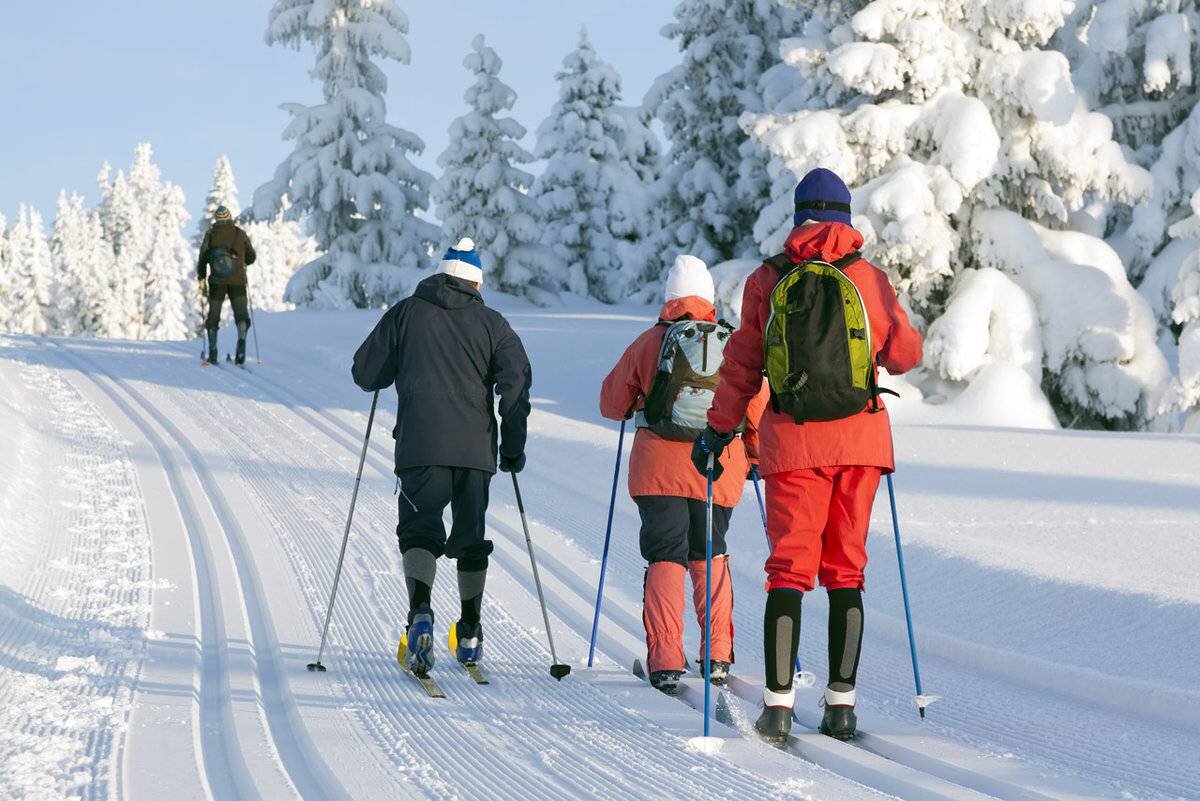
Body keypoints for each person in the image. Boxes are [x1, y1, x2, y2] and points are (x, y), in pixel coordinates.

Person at [692, 168, 923, 741]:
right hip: (861, 444)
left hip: (791, 444)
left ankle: (778, 705)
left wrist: (719, 430)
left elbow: (742, 366)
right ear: (846, 216)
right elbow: (906, 356)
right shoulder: (869, 277)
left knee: (788, 572)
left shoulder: (767, 279)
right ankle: (841, 705)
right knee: (847, 570)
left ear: (798, 216)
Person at [351, 238, 532, 676]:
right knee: (470, 537)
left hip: (420, 446)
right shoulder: (494, 323)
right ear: (475, 281)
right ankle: (469, 631)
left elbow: (365, 373)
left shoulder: (406, 312)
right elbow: (517, 384)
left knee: (420, 530)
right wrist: (513, 444)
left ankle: (420, 614)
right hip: (475, 450)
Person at [600, 255, 767, 694]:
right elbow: (758, 413)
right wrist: (755, 457)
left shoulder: (648, 342)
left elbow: (611, 403)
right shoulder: (733, 345)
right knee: (709, 553)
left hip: (657, 470)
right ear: (710, 300)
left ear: (669, 298)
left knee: (665, 557)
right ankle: (717, 655)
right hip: (718, 468)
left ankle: (666, 660)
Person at [197, 205, 257, 365]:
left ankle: (213, 351)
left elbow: (202, 258)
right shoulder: (239, 233)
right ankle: (242, 343)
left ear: (217, 219)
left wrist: (201, 277)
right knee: (241, 315)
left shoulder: (210, 234)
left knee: (214, 316)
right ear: (229, 217)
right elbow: (251, 257)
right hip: (237, 281)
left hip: (217, 282)